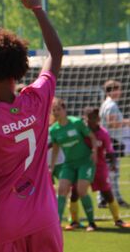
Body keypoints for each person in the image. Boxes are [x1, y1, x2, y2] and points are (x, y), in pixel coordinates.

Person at [0, 0, 63, 252]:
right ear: (19, 67)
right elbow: (55, 52)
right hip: (45, 219)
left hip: (7, 223)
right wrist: (37, 8)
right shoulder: (38, 99)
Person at [71, 106, 129, 229]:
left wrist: (113, 163)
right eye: (88, 118)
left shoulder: (103, 133)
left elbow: (110, 150)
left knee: (107, 193)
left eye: (93, 118)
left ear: (98, 118)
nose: (90, 121)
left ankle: (118, 220)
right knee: (75, 192)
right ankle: (74, 221)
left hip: (99, 167)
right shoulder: (81, 131)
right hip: (82, 166)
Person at [48, 98, 98, 231]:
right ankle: (56, 224)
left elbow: (92, 137)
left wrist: (94, 151)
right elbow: (55, 149)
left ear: (65, 110)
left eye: (59, 109)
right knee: (62, 190)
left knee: (82, 191)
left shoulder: (76, 123)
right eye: (54, 110)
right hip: (69, 164)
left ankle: (91, 223)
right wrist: (51, 167)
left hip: (85, 162)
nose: (57, 112)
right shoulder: (53, 130)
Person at [99, 79, 130, 208]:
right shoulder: (111, 105)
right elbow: (111, 123)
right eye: (118, 89)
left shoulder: (107, 104)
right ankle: (114, 199)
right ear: (111, 91)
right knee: (113, 171)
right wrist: (127, 122)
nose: (120, 92)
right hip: (112, 140)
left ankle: (103, 199)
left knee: (107, 171)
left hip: (110, 140)